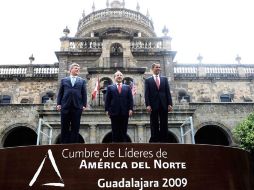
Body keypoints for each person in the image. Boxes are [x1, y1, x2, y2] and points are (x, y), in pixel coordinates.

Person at [57, 63, 87, 144]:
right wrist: (58, 104)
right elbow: (60, 93)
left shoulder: (82, 81)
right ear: (71, 70)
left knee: (75, 126)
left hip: (77, 107)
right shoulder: (64, 80)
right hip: (65, 106)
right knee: (64, 126)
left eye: (78, 68)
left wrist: (84, 105)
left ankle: (73, 145)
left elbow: (84, 93)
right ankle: (63, 144)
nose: (78, 69)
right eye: (76, 68)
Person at [145, 63, 173, 143]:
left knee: (164, 122)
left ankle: (164, 139)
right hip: (153, 105)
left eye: (159, 67)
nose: (158, 68)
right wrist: (148, 105)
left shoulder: (164, 79)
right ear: (153, 68)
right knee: (154, 122)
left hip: (164, 104)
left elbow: (168, 92)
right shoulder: (148, 80)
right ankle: (155, 139)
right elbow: (146, 94)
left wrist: (170, 104)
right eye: (157, 67)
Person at [105, 71, 133, 142]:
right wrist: (107, 110)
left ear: (122, 77)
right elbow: (107, 100)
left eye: (120, 75)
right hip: (114, 112)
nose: (119, 76)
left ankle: (123, 144)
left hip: (125, 111)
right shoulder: (110, 87)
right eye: (117, 75)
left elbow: (130, 99)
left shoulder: (127, 87)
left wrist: (130, 109)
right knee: (115, 129)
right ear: (114, 78)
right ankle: (115, 145)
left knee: (124, 129)